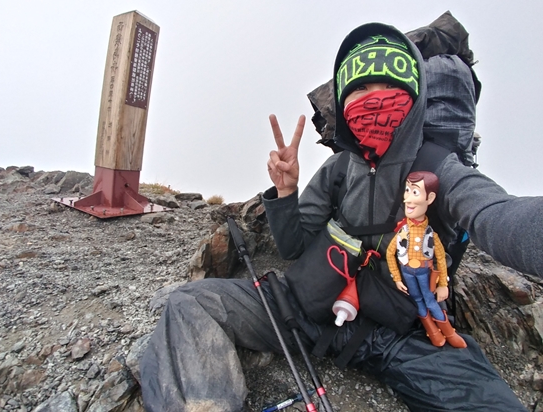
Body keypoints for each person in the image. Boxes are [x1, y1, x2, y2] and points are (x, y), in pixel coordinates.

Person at [140, 22, 541, 412]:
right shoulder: (340, 168)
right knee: (195, 302)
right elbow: (295, 245)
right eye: (360, 88)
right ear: (344, 105)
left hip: (404, 340)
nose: (374, 98)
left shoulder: (441, 169)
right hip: (307, 311)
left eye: (389, 86)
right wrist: (285, 193)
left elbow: (496, 214)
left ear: (415, 95)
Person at [386, 171, 466, 348]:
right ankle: (432, 330)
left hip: (424, 271)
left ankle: (449, 332)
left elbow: (440, 258)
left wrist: (443, 283)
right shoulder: (402, 232)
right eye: (407, 191)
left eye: (415, 192)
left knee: (430, 299)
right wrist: (397, 278)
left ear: (429, 198)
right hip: (407, 271)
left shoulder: (430, 234)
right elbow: (390, 253)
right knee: (417, 299)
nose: (407, 199)